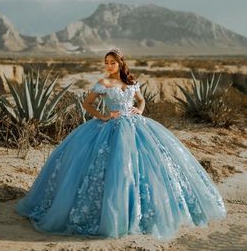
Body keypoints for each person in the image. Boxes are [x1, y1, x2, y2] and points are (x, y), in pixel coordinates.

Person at [15, 47, 227, 241]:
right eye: (106, 62)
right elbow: (87, 104)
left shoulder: (132, 83)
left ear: (121, 63)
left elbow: (142, 100)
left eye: (112, 62)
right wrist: (104, 116)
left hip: (137, 126)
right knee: (114, 170)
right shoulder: (104, 83)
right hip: (110, 128)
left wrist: (140, 110)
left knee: (146, 168)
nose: (109, 65)